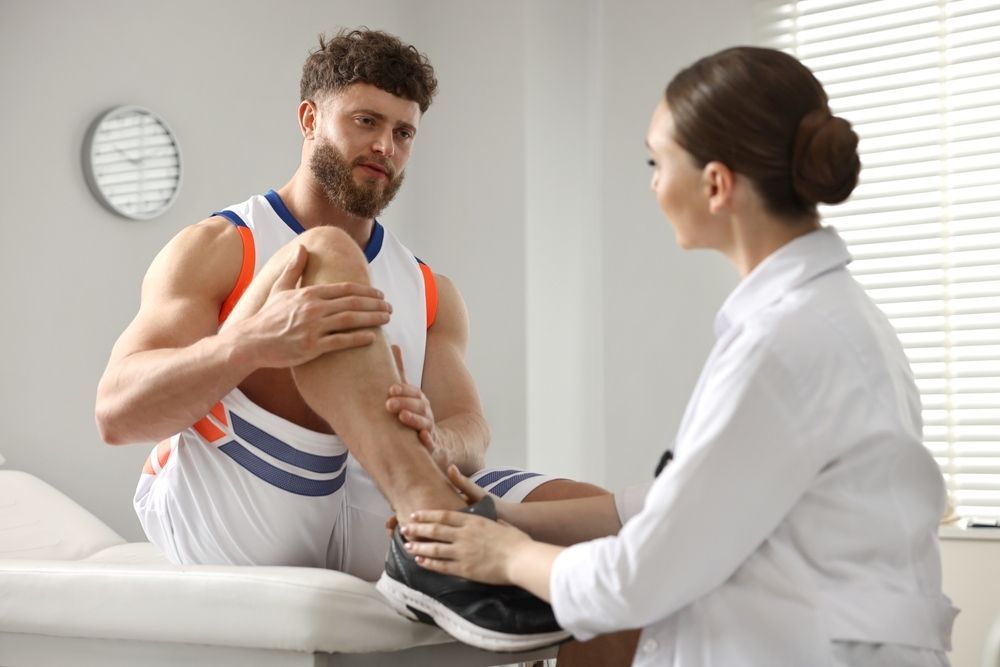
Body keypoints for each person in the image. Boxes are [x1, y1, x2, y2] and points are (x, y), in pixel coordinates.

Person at [396, 46, 959, 666]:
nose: (654, 183)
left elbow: (637, 577)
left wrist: (502, 554)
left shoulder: (784, 344)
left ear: (716, 184)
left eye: (656, 162)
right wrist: (503, 513)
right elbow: (680, 504)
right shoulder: (830, 318)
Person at [94, 27, 613, 655]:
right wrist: (247, 345)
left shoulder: (429, 288)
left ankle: (423, 527)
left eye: (403, 132)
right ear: (310, 118)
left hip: (373, 500)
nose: (384, 146)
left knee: (615, 540)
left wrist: (435, 434)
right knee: (325, 253)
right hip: (245, 496)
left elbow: (469, 429)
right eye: (366, 120)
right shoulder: (220, 247)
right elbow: (116, 414)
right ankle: (432, 528)